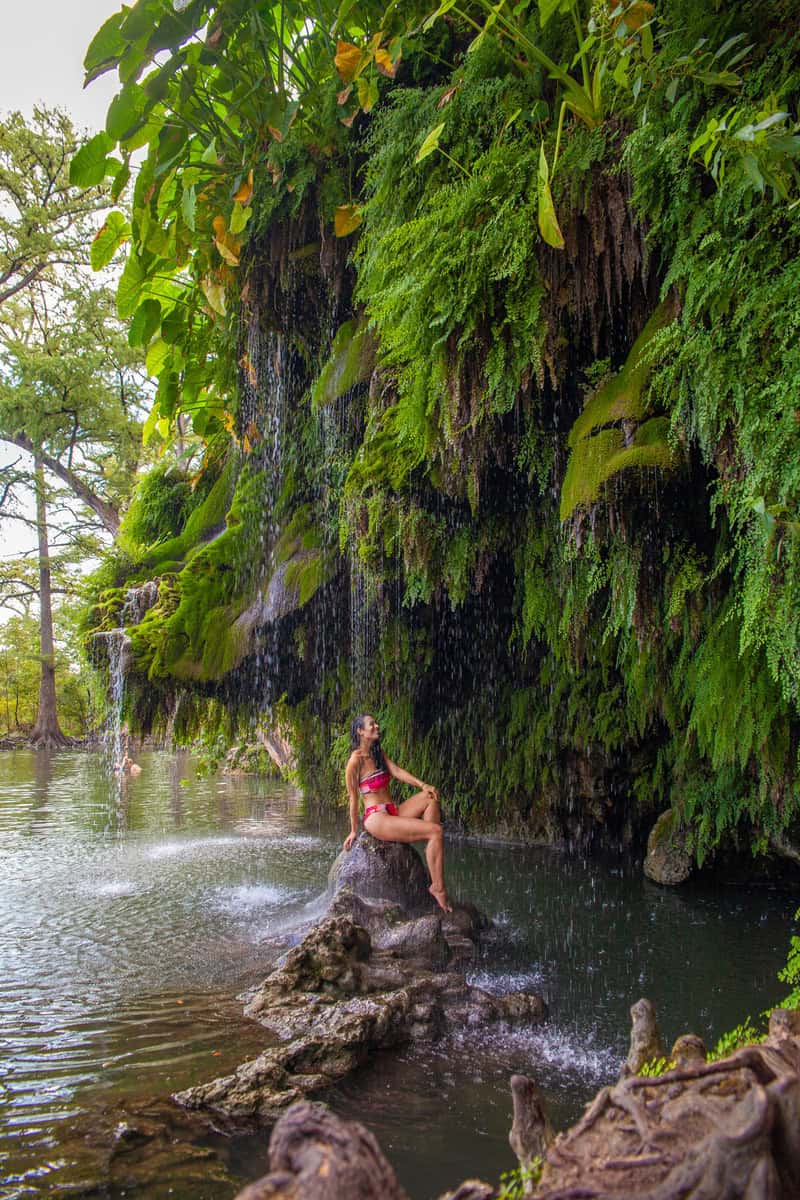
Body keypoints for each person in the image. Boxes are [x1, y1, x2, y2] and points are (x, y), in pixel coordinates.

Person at [343, 713, 452, 912]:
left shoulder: (378, 752)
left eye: (375, 723)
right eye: (371, 724)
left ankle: (431, 852)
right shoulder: (354, 762)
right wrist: (353, 830)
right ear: (360, 731)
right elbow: (353, 798)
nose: (376, 726)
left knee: (431, 797)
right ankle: (438, 888)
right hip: (377, 818)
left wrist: (423, 784)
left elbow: (397, 771)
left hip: (394, 810)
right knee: (436, 831)